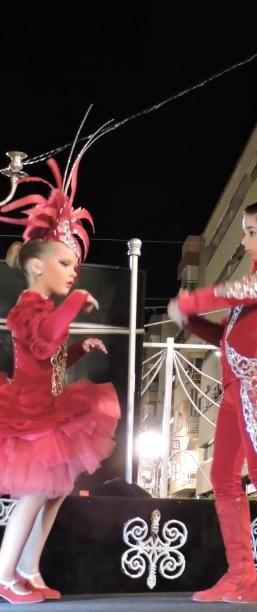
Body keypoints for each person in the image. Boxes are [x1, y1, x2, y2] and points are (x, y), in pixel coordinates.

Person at [0, 156, 120, 604]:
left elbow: (50, 358)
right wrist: (76, 305)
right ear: (37, 268)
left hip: (51, 410)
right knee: (33, 495)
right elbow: (41, 344)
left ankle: (29, 568)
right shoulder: (28, 308)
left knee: (55, 493)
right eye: (66, 263)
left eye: (75, 265)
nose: (74, 272)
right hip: (29, 416)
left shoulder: (48, 311)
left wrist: (78, 349)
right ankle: (5, 575)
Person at [170, 198, 257, 603]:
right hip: (234, 387)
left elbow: (231, 293)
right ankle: (240, 572)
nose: (244, 242)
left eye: (251, 232)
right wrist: (193, 322)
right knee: (223, 477)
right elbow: (227, 337)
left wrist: (191, 302)